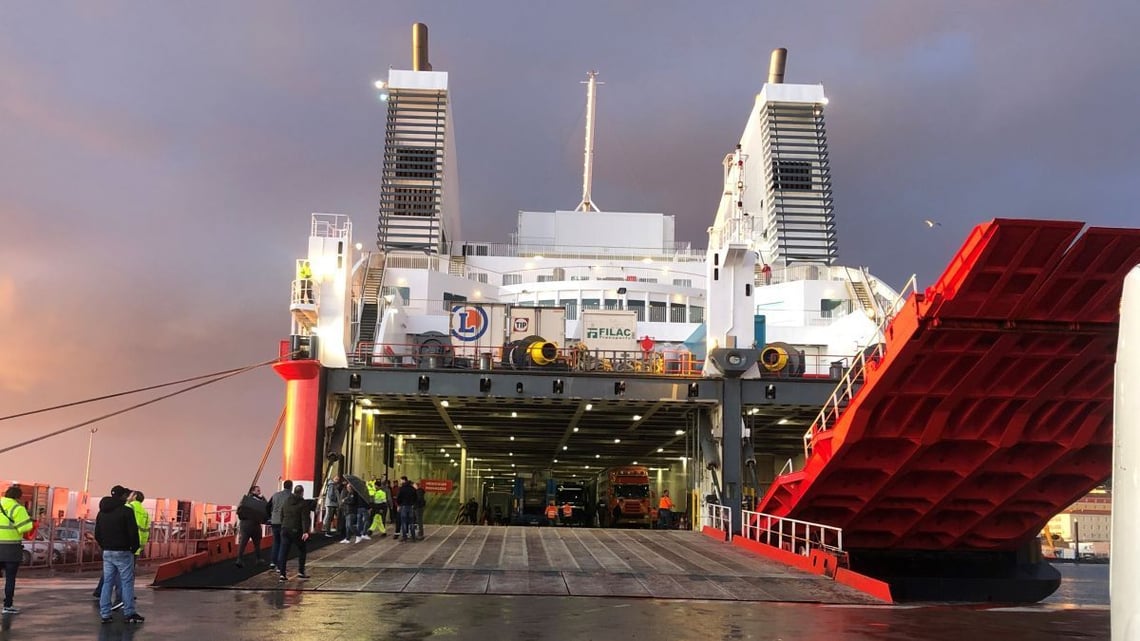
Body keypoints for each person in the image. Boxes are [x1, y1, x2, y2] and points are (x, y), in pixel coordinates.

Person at [95, 485, 143, 624]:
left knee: (107, 583)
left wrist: (105, 546)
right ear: (122, 496)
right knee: (127, 582)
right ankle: (129, 613)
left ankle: (105, 614)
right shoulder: (126, 511)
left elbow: (97, 533)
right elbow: (133, 533)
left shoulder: (101, 512)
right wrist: (133, 548)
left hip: (108, 552)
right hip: (123, 552)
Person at [0, 486, 34, 615]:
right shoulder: (18, 509)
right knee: (10, 579)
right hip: (11, 548)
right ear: (18, 497)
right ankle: (7, 606)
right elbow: (25, 528)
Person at [277, 485, 312, 581]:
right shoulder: (303, 503)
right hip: (296, 530)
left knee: (283, 551)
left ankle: (282, 574)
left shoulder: (287, 501)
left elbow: (282, 514)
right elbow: (305, 518)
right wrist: (305, 531)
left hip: (285, 528)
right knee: (302, 550)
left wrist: (283, 525)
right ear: (302, 492)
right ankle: (301, 572)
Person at [235, 485, 268, 567]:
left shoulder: (245, 500)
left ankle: (239, 559)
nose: (259, 492)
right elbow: (266, 508)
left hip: (245, 524)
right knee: (257, 543)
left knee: (243, 542)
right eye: (258, 490)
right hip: (254, 524)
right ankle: (258, 559)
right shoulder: (259, 502)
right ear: (253, 491)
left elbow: (239, 510)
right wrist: (263, 498)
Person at [266, 480, 293, 572]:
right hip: (285, 522)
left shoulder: (275, 495)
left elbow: (268, 506)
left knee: (276, 542)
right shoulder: (291, 496)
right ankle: (280, 565)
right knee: (283, 544)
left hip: (274, 521)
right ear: (291, 487)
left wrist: (270, 516)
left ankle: (273, 562)